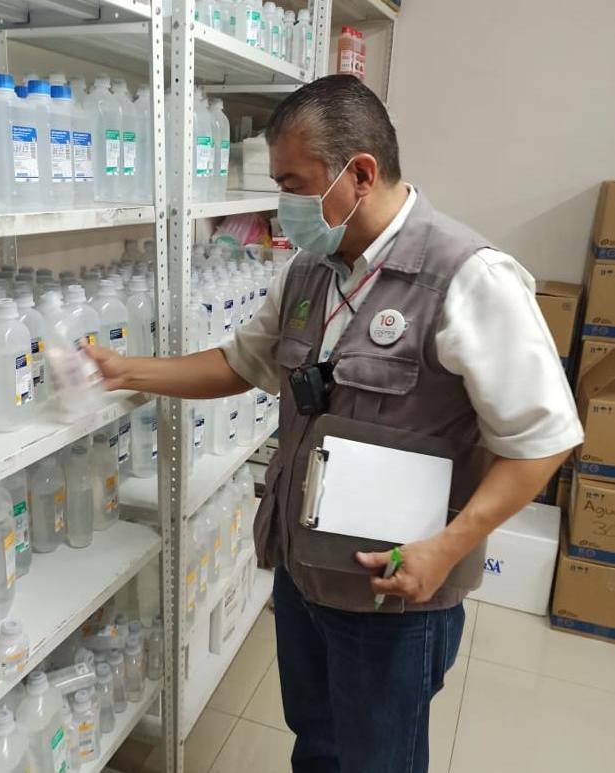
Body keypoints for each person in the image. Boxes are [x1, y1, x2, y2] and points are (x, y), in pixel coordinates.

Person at [85, 75, 583, 773]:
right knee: (315, 743)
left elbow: (542, 442)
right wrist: (128, 371)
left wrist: (447, 547)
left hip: (391, 595)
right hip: (303, 573)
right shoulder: (310, 272)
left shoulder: (468, 277)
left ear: (360, 174)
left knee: (378, 760)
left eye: (293, 185)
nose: (283, 207)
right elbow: (239, 362)